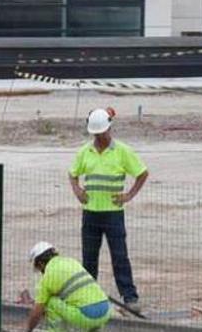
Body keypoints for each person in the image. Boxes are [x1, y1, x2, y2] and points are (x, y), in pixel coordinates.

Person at [68, 107, 148, 312]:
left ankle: (129, 297)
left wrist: (129, 195)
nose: (99, 137)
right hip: (91, 213)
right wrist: (77, 190)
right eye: (96, 134)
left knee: (120, 256)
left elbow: (142, 173)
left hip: (113, 214)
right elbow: (72, 173)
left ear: (109, 129)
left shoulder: (122, 151)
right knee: (89, 258)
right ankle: (87, 296)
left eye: (101, 133)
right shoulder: (85, 152)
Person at [24, 242, 112, 332]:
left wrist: (28, 329)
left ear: (41, 263)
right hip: (106, 311)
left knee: (51, 302)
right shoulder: (71, 262)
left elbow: (37, 311)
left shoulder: (47, 277)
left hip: (87, 316)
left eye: (39, 268)